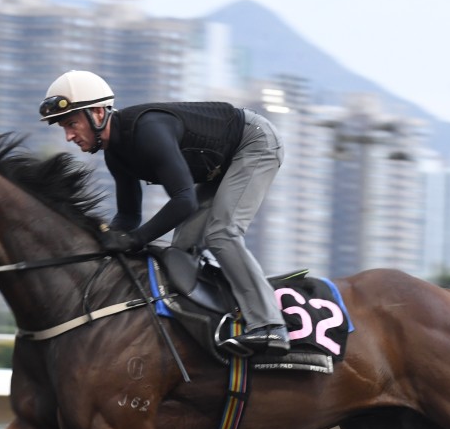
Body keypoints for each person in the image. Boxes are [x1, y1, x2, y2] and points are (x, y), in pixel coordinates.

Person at [39, 70, 289, 357]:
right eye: (63, 127)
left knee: (222, 233)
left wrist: (134, 240)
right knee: (181, 249)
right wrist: (103, 245)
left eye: (71, 123)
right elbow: (129, 216)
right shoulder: (116, 154)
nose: (69, 136)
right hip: (219, 166)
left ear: (97, 113)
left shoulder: (147, 131)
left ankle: (270, 325)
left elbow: (184, 202)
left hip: (253, 143)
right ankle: (216, 321)